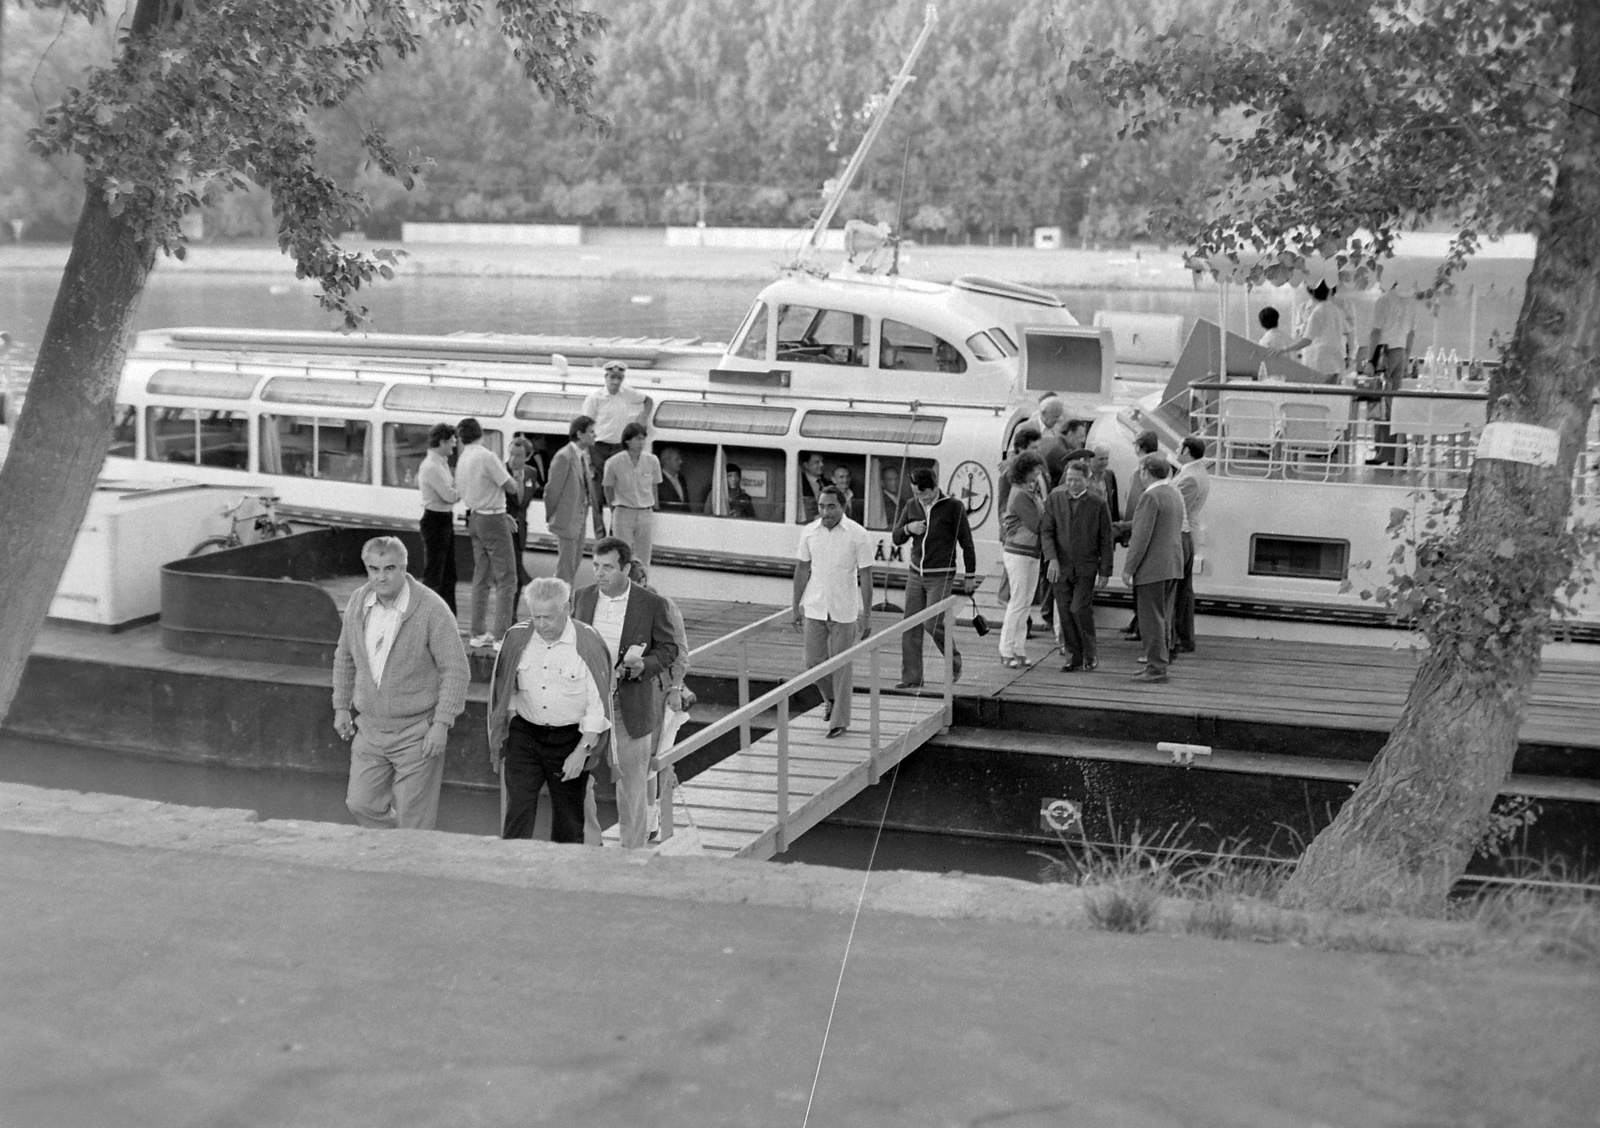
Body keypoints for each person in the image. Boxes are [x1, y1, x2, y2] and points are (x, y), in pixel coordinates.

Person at [333, 536, 470, 830]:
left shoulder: (433, 609)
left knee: (414, 818)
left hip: (417, 732)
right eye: (373, 569)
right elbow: (344, 656)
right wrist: (341, 707)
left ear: (404, 568)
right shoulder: (358, 601)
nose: (380, 577)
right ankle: (393, 853)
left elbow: (456, 669)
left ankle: (410, 866)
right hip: (369, 727)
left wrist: (441, 724)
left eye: (389, 568)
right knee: (360, 803)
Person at [571, 537, 681, 848]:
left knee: (632, 787)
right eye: (595, 566)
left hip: (628, 705)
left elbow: (669, 649)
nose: (599, 574)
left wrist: (642, 666)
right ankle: (591, 846)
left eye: (607, 567)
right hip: (586, 705)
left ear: (626, 568)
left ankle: (632, 855)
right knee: (578, 780)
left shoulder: (651, 604)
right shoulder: (582, 597)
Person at [486, 576, 612, 844]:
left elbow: (598, 704)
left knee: (569, 821)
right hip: (526, 735)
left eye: (548, 618)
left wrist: (581, 753)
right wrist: (511, 725)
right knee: (517, 809)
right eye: (536, 617)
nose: (541, 625)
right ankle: (510, 871)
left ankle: (564, 879)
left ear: (567, 610)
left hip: (570, 739)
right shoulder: (517, 636)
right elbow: (506, 686)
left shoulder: (588, 643)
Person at [793, 485, 874, 738]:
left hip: (844, 609)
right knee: (813, 663)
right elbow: (802, 569)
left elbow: (866, 575)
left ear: (842, 506)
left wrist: (867, 614)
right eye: (821, 506)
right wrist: (795, 606)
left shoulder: (857, 534)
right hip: (815, 606)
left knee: (842, 667)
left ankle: (839, 721)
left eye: (831, 506)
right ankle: (831, 699)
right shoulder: (809, 533)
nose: (825, 511)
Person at [892, 466, 977, 688]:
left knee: (934, 623)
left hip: (940, 575)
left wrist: (970, 575)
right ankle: (911, 677)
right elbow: (896, 536)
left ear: (935, 487)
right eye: (915, 493)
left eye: (924, 493)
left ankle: (954, 663)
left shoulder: (954, 507)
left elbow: (966, 542)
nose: (920, 498)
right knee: (910, 624)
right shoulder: (911, 505)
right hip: (915, 573)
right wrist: (909, 528)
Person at [1040, 460, 1115, 672]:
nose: (1072, 483)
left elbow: (1106, 539)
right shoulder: (1055, 499)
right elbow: (1046, 531)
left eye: (1077, 480)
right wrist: (1051, 558)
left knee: (1079, 608)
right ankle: (1073, 656)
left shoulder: (1098, 503)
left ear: (1087, 480)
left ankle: (1090, 654)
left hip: (1086, 567)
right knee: (1064, 611)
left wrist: (1105, 571)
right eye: (1069, 479)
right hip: (1059, 567)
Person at [457, 417, 520, 648]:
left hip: (475, 517)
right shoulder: (486, 456)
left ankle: (477, 633)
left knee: (481, 577)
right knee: (507, 579)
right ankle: (501, 635)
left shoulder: (463, 459)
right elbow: (510, 486)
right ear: (481, 433)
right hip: (493, 517)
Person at [1123, 455, 1186, 684]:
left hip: (1152, 568)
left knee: (1150, 619)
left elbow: (1141, 536)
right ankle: (1158, 663)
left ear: (1146, 472)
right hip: (1172, 565)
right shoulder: (1173, 494)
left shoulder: (1150, 497)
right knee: (1163, 617)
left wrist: (1129, 569)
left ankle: (1156, 668)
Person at [581, 360, 652, 538]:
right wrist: (586, 453)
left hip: (619, 448)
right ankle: (599, 534)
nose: (615, 381)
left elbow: (647, 400)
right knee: (597, 491)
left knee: (618, 490)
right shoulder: (595, 398)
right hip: (598, 447)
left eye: (619, 377)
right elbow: (585, 426)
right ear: (606, 377)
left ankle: (615, 532)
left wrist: (643, 417)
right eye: (612, 377)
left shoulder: (627, 394)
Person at [998, 451, 1047, 668]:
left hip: (1031, 552)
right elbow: (1037, 524)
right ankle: (1006, 649)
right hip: (1018, 551)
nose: (1038, 472)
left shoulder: (1029, 490)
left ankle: (1018, 648)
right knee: (1018, 601)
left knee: (1025, 603)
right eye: (1035, 469)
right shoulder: (1020, 494)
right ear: (1025, 470)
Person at [1366, 283, 1417, 466]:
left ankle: (1384, 452)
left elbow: (1375, 332)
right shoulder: (1411, 302)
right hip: (1401, 351)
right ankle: (1399, 452)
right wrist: (1407, 358)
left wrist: (1370, 360)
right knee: (1396, 404)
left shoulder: (1383, 301)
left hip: (1383, 353)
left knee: (1380, 404)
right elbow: (1411, 334)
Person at [543, 416, 595, 587]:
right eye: (591, 432)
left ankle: (566, 606)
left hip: (578, 520)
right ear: (580, 434)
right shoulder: (564, 457)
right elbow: (552, 490)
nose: (595, 436)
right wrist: (553, 517)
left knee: (572, 567)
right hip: (567, 520)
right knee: (565, 569)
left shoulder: (582, 456)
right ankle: (560, 608)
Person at [603, 421, 662, 567]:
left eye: (643, 439)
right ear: (627, 441)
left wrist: (654, 507)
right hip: (623, 511)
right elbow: (608, 488)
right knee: (622, 554)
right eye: (637, 439)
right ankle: (622, 585)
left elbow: (654, 486)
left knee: (644, 555)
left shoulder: (652, 461)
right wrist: (613, 508)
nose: (641, 442)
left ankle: (642, 584)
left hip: (645, 512)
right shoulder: (614, 462)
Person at [1173, 436, 1211, 654]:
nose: (1177, 449)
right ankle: (1183, 636)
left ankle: (1182, 637)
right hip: (1188, 532)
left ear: (1186, 449)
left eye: (1179, 447)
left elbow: (1177, 508)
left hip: (1183, 533)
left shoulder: (1190, 477)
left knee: (1180, 589)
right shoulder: (1195, 472)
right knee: (1184, 588)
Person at [416, 422, 458, 613]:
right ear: (442, 442)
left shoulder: (440, 463)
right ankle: (429, 615)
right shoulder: (432, 466)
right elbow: (449, 496)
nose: (455, 444)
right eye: (451, 440)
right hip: (435, 520)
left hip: (444, 518)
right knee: (435, 573)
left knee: (449, 573)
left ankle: (448, 616)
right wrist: (463, 489)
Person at [1280, 281, 1350, 379]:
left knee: (1318, 392)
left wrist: (1285, 349)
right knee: (1333, 391)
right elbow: (1347, 332)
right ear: (1329, 291)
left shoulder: (1317, 313)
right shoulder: (1339, 311)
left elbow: (1307, 340)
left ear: (1311, 292)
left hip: (1319, 361)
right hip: (1337, 360)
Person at [505, 435, 540, 609]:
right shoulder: (500, 471)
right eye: (510, 454)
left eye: (518, 455)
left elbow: (524, 503)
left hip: (520, 531)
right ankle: (508, 615)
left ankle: (512, 613)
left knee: (517, 575)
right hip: (503, 530)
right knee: (513, 575)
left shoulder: (531, 473)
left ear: (527, 456)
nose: (512, 459)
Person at [1087, 444, 1121, 522]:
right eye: (1101, 459)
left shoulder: (1109, 475)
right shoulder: (1082, 476)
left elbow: (1114, 507)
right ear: (1090, 459)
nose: (1105, 462)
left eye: (1106, 458)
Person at [657, 445, 691, 511]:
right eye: (677, 459)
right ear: (666, 461)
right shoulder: (658, 480)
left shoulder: (682, 479)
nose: (681, 462)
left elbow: (686, 503)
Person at [799, 451, 827, 522]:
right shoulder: (799, 482)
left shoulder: (826, 482)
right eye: (817, 462)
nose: (822, 464)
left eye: (822, 461)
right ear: (806, 465)